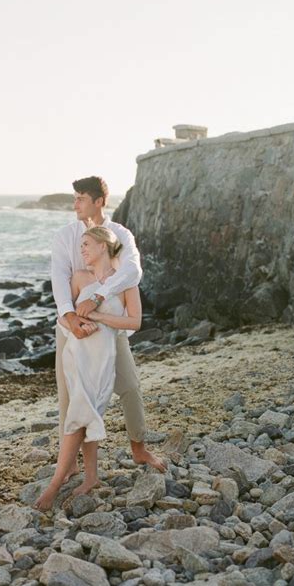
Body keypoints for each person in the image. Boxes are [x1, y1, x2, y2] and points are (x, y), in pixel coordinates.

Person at [51, 176, 167, 480]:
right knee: (68, 395)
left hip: (110, 326)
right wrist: (71, 318)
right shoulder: (66, 236)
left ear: (99, 201)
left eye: (80, 198)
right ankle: (71, 463)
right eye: (74, 197)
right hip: (71, 328)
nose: (74, 204)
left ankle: (139, 449)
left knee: (129, 387)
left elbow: (133, 270)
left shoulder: (119, 235)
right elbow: (59, 281)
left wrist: (101, 295)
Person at [35, 226, 143, 510]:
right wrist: (79, 324)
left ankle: (78, 479)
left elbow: (135, 322)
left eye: (86, 245)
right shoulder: (79, 278)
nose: (81, 250)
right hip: (78, 357)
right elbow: (64, 318)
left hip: (103, 362)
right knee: (81, 413)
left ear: (103, 247)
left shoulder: (124, 282)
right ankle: (65, 481)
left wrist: (96, 315)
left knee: (86, 415)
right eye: (80, 244)